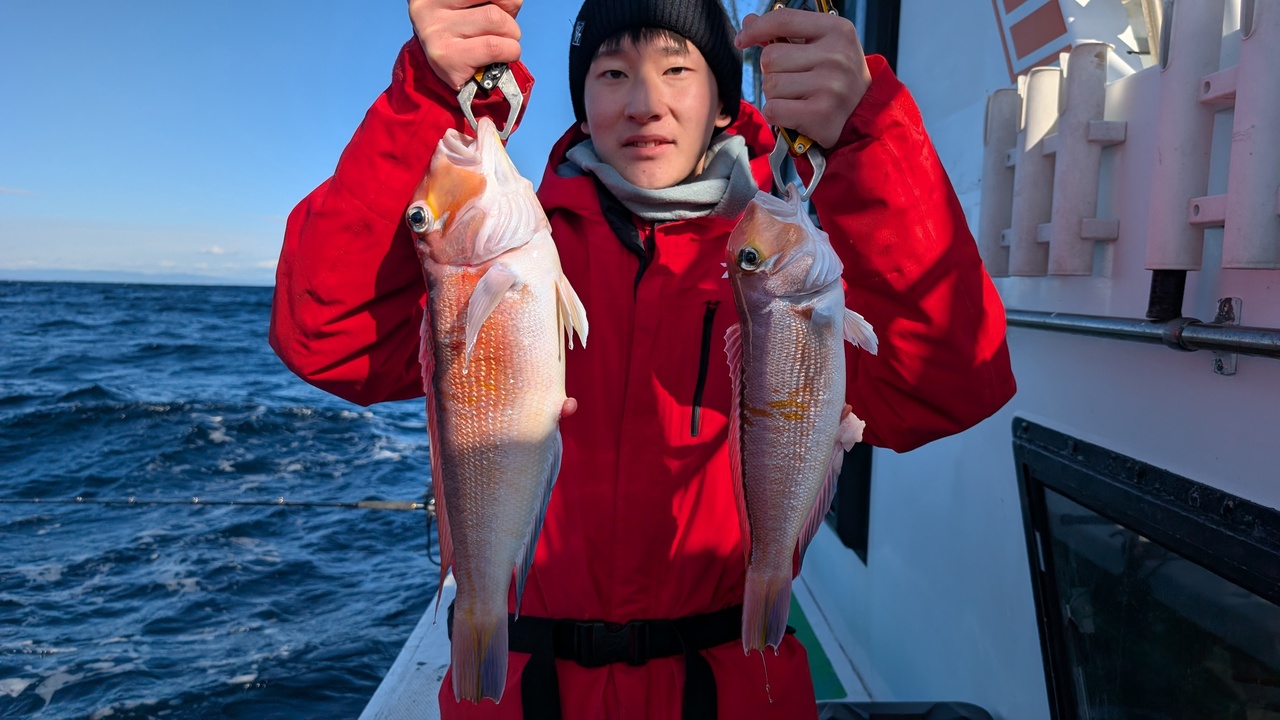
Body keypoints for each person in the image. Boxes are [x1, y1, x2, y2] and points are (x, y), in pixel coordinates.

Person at [269, 0, 1017, 717]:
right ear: (582, 101)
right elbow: (324, 334)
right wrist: (429, 98)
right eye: (613, 73)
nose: (645, 104)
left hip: (734, 690)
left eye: (677, 69)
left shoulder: (780, 264)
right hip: (520, 694)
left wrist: (864, 140)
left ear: (724, 103)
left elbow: (948, 384)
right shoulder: (513, 252)